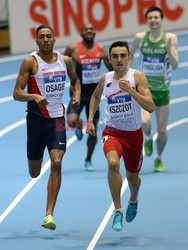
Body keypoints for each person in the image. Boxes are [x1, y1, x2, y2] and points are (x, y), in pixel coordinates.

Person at [13, 24, 81, 230]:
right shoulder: (30, 63)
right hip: (35, 120)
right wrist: (33, 96)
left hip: (57, 119)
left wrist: (76, 95)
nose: (45, 39)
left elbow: (75, 81)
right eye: (41, 36)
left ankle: (49, 214)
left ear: (54, 39)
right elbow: (16, 92)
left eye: (48, 36)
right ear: (37, 41)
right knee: (34, 171)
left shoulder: (65, 61)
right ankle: (36, 170)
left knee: (57, 162)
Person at [86, 41, 155, 232]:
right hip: (112, 132)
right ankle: (118, 209)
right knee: (113, 164)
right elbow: (94, 97)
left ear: (129, 58)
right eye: (114, 56)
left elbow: (150, 107)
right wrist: (90, 119)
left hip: (133, 136)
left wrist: (131, 91)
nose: (118, 60)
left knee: (133, 180)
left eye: (122, 56)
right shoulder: (105, 78)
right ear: (109, 59)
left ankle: (133, 198)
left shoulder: (137, 77)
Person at [130, 6, 179, 172]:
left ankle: (158, 158)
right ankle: (148, 138)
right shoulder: (140, 38)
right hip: (145, 89)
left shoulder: (171, 38)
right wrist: (129, 76)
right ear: (147, 20)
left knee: (163, 131)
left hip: (163, 91)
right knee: (145, 122)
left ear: (162, 19)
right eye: (150, 18)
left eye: (156, 17)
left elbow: (175, 65)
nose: (153, 20)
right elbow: (130, 54)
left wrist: (169, 48)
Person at [64, 23, 112, 171]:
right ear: (81, 32)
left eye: (92, 29)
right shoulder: (73, 48)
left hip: (94, 96)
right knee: (71, 121)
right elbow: (63, 63)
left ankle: (88, 160)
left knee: (92, 130)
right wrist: (72, 78)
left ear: (95, 32)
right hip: (78, 92)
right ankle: (78, 127)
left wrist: (107, 59)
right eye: (86, 29)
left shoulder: (101, 50)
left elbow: (112, 70)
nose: (89, 31)